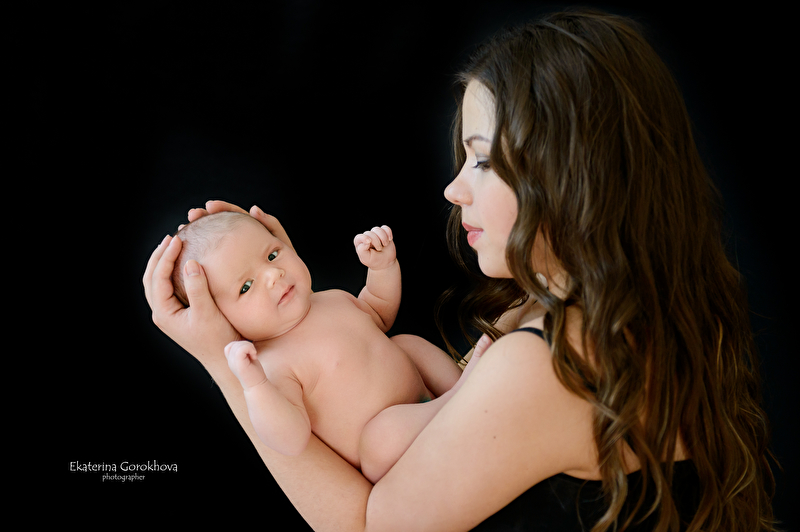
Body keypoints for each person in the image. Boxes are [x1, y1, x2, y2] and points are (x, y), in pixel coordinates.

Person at [144, 9, 776, 531]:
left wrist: (225, 360)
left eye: (482, 161)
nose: (453, 189)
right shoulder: (586, 311)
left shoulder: (547, 363)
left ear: (569, 176)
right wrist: (267, 264)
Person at [169, 211, 470, 483]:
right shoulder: (272, 364)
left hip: (422, 398)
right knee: (381, 436)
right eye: (246, 287)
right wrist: (254, 385)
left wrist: (382, 268)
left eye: (272, 255)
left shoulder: (329, 299)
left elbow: (378, 314)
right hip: (393, 455)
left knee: (407, 343)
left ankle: (461, 388)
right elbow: (290, 440)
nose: (273, 275)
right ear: (222, 319)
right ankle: (460, 398)